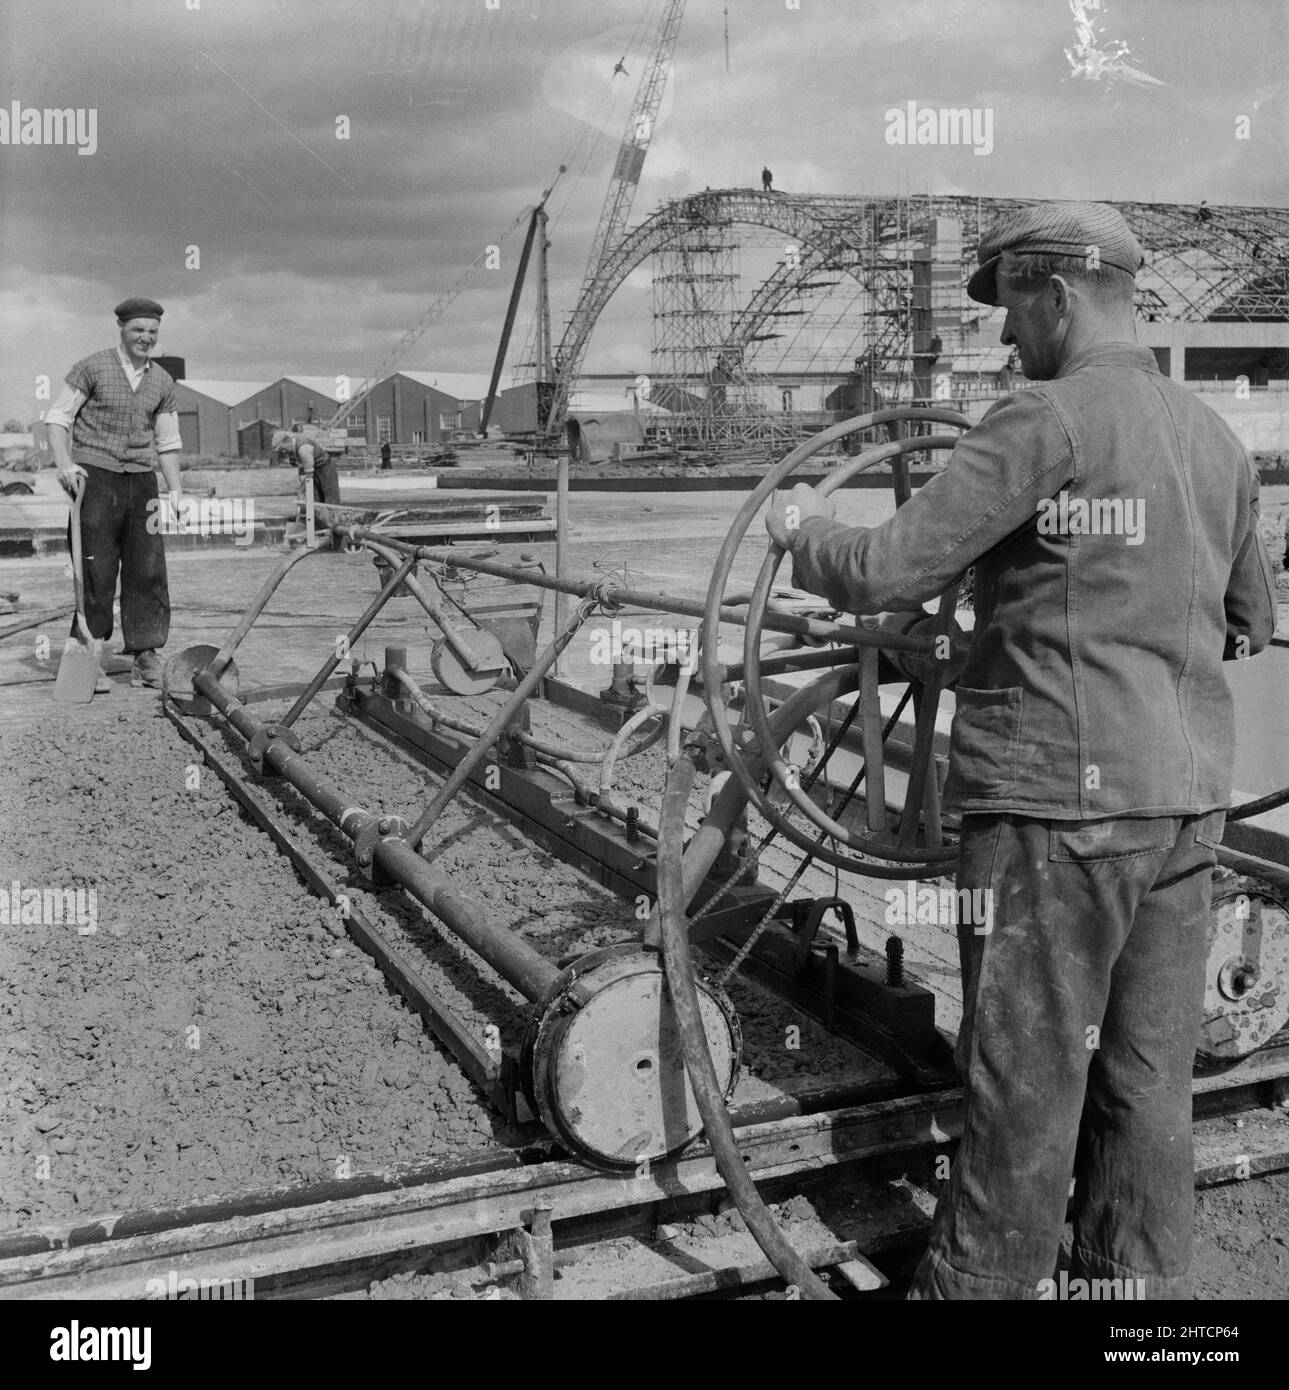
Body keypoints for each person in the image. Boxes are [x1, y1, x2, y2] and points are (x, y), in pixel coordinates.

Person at [766, 201, 1275, 1300]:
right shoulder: (1213, 438)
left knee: (1024, 1082)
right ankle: (1123, 1298)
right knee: (1144, 1080)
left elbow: (882, 571)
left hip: (1053, 810)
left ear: (1055, 294)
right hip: (1183, 805)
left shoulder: (1039, 420)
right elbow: (1248, 616)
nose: (1002, 338)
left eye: (1007, 311)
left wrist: (797, 532)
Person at [45, 296, 183, 690]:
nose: (146, 338)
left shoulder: (162, 381)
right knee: (96, 567)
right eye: (138, 329)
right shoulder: (92, 367)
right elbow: (57, 419)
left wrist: (176, 491)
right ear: (121, 328)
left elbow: (168, 443)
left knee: (148, 568)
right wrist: (65, 464)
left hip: (142, 481)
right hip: (95, 477)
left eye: (153, 332)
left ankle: (145, 657)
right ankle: (90, 655)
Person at [272, 423, 341, 505]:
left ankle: (332, 517)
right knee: (315, 501)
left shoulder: (303, 448)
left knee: (331, 499)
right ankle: (315, 516)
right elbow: (300, 467)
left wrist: (302, 489)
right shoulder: (292, 448)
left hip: (325, 468)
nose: (283, 451)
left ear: (288, 441)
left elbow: (309, 475)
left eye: (282, 448)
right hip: (314, 469)